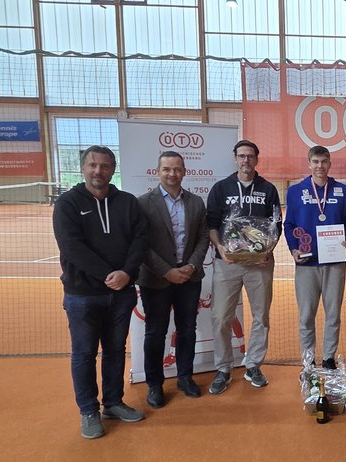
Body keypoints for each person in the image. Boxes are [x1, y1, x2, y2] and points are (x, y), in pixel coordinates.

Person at [53, 145, 148, 439]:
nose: (98, 171)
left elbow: (140, 240)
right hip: (82, 295)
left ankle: (113, 403)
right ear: (83, 168)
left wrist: (127, 273)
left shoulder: (128, 203)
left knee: (115, 351)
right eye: (93, 165)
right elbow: (71, 246)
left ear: (112, 169)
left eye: (105, 166)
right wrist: (109, 275)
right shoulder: (67, 203)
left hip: (121, 293)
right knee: (84, 354)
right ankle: (88, 411)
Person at [206, 140, 281, 394]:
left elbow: (276, 225)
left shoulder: (268, 189)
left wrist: (267, 251)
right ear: (235, 158)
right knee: (221, 317)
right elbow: (212, 224)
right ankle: (223, 368)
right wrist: (220, 248)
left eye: (250, 156)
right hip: (227, 263)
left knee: (261, 316)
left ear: (256, 159)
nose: (246, 160)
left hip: (260, 264)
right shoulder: (221, 188)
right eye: (241, 156)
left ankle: (253, 365)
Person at [137, 151, 210, 408]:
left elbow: (203, 238)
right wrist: (167, 271)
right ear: (158, 171)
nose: (172, 174)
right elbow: (141, 244)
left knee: (187, 329)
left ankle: (185, 377)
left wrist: (191, 266)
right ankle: (154, 384)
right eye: (167, 169)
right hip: (156, 279)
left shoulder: (196, 202)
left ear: (184, 171)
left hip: (190, 277)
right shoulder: (143, 203)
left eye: (177, 169)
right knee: (155, 332)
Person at [283, 145, 346, 371]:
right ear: (309, 163)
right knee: (306, 315)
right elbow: (289, 224)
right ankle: (308, 359)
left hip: (334, 263)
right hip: (306, 262)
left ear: (330, 163)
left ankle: (329, 357)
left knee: (333, 314)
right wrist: (294, 249)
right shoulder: (295, 191)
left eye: (324, 161)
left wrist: (344, 238)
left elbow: (344, 221)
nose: (320, 166)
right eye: (315, 161)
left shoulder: (343, 190)